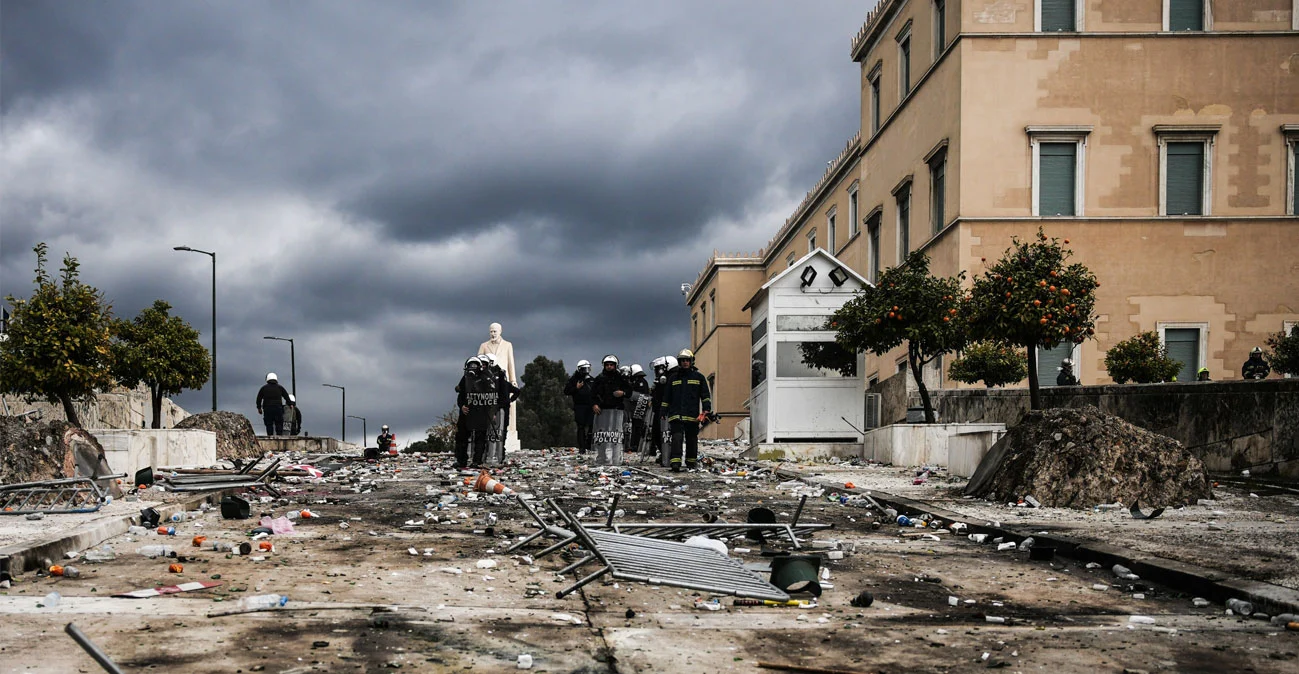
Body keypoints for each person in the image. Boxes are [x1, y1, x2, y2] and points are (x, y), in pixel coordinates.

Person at [661, 349, 712, 472]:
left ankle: (691, 462)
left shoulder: (699, 377)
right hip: (676, 415)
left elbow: (705, 395)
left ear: (691, 362)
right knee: (676, 438)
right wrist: (663, 411)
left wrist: (706, 410)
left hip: (692, 415)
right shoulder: (673, 378)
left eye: (687, 360)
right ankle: (675, 463)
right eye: (682, 360)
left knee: (692, 439)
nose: (685, 363)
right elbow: (667, 397)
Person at [458, 356, 497, 467]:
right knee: (462, 436)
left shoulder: (486, 379)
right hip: (467, 411)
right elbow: (460, 394)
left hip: (481, 411)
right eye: (471, 367)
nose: (472, 370)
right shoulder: (465, 378)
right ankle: (462, 460)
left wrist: (491, 412)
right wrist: (462, 406)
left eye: (475, 367)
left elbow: (492, 397)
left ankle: (477, 460)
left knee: (480, 437)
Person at [590, 355, 629, 465]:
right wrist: (594, 404)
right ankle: (602, 459)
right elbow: (592, 394)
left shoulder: (621, 378)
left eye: (611, 365)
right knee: (602, 436)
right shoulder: (599, 378)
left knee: (616, 437)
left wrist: (623, 393)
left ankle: (616, 460)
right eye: (607, 365)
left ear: (615, 366)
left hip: (617, 411)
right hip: (602, 411)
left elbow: (629, 391)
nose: (609, 367)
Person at [648, 355, 677, 460]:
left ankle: (670, 455)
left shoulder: (673, 378)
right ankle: (664, 453)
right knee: (657, 433)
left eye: (658, 368)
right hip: (659, 410)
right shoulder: (662, 380)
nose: (657, 371)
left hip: (668, 411)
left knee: (667, 434)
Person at [563, 360, 596, 452]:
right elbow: (566, 391)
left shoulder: (592, 379)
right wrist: (576, 388)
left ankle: (589, 445)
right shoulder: (574, 379)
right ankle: (582, 447)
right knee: (581, 427)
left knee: (592, 426)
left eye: (588, 368)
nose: (586, 371)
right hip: (579, 406)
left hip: (591, 406)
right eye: (584, 369)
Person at [625, 364, 651, 453]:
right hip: (638, 409)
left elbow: (639, 396)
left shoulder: (640, 382)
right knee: (636, 427)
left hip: (638, 409)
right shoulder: (643, 381)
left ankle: (635, 445)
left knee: (637, 428)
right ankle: (634, 445)